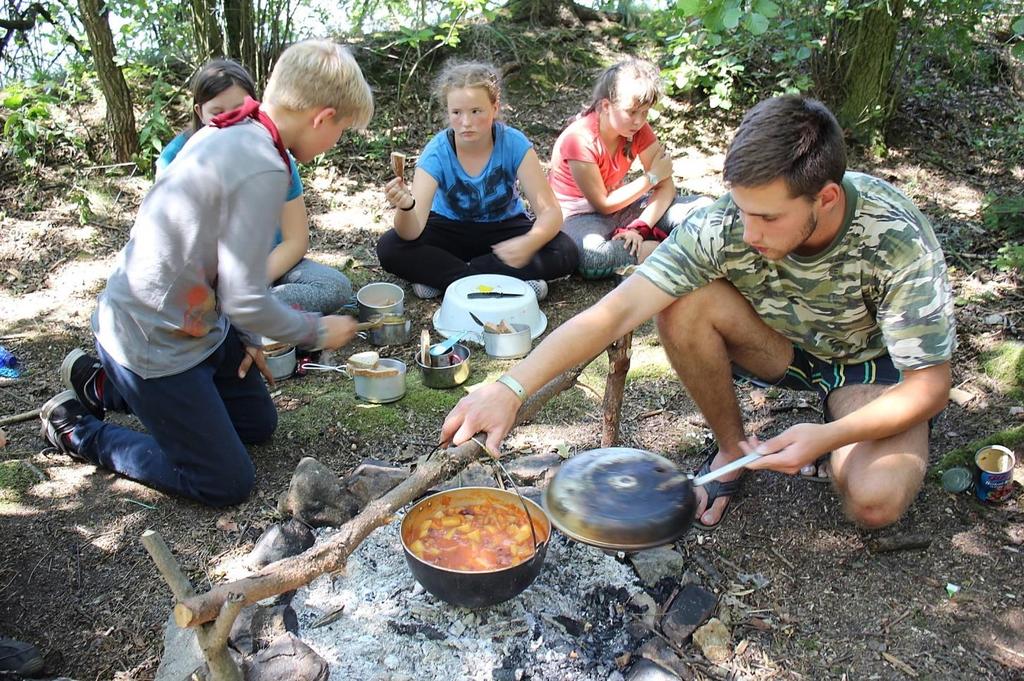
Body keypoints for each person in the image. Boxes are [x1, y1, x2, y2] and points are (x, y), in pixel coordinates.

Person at [440, 95, 955, 531]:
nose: (749, 233)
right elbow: (616, 311)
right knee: (683, 301)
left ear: (825, 197)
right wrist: (509, 388)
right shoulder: (725, 224)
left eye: (769, 217)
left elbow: (930, 387)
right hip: (784, 348)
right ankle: (735, 449)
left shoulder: (894, 237)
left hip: (871, 367)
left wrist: (828, 437)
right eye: (743, 210)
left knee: (873, 501)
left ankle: (839, 425)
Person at [38, 41, 374, 507]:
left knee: (259, 426)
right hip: (154, 336)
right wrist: (316, 331)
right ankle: (80, 430)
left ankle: (109, 385)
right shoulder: (263, 165)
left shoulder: (240, 128)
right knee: (224, 481)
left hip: (198, 324)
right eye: (340, 131)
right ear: (322, 117)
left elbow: (227, 269)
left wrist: (249, 338)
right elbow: (244, 298)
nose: (335, 143)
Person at [157, 58, 352, 316]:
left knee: (335, 287)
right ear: (199, 112)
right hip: (207, 278)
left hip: (271, 266)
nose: (231, 121)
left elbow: (295, 240)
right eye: (218, 112)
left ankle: (243, 319)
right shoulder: (178, 159)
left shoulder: (274, 154)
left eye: (240, 109)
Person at [376, 61, 578, 300]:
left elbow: (551, 212)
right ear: (448, 113)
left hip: (504, 229)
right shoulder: (436, 152)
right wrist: (406, 206)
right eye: (456, 113)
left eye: (476, 111)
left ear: (495, 107)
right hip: (448, 230)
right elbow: (411, 231)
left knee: (565, 250)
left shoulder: (514, 143)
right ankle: (509, 282)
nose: (466, 122)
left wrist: (530, 243)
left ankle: (442, 279)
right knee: (390, 247)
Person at [548, 58, 710, 279]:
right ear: (605, 106)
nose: (639, 121)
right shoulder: (579, 139)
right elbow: (603, 204)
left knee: (704, 209)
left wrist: (639, 227)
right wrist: (651, 178)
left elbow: (666, 188)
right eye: (632, 112)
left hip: (623, 209)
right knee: (593, 256)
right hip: (579, 217)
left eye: (645, 113)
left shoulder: (638, 130)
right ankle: (672, 249)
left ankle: (654, 245)